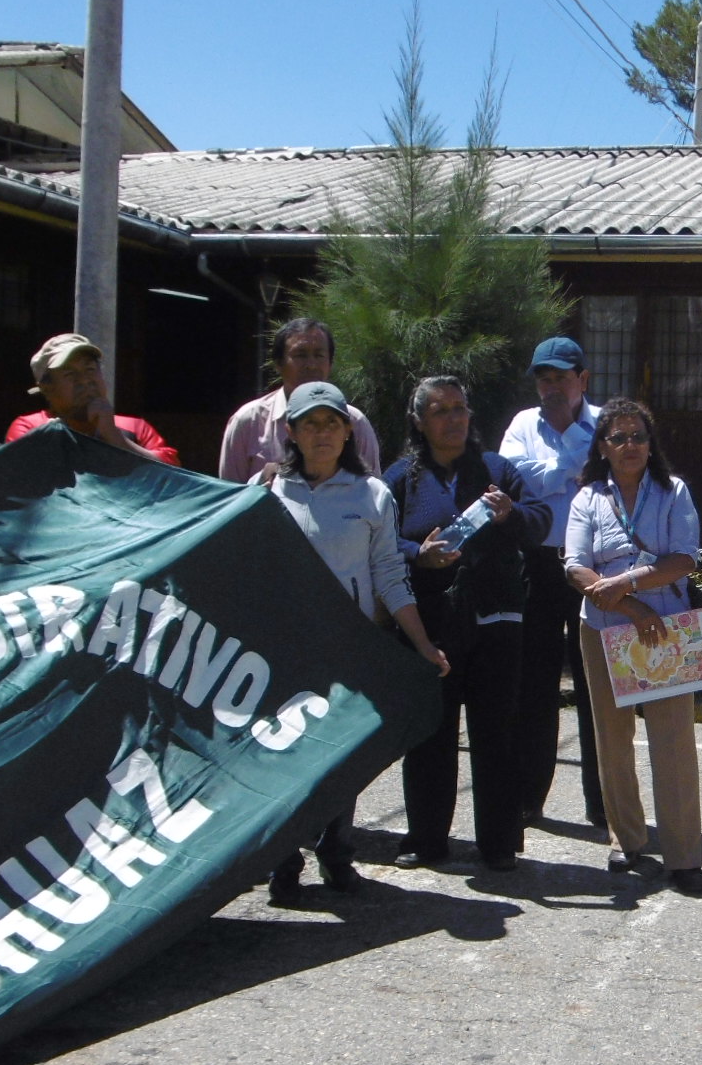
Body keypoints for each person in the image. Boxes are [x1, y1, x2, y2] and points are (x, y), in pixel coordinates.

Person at [259, 381, 448, 903]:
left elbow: (389, 574)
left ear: (348, 431)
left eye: (331, 423)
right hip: (286, 650)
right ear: (292, 432)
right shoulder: (269, 490)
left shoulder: (371, 495)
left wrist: (422, 643)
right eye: (310, 424)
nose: (321, 433)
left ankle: (337, 854)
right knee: (286, 757)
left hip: (351, 647)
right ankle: (283, 862)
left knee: (342, 757)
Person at [385, 375, 550, 872]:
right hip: (430, 625)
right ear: (419, 421)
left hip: (496, 620)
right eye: (440, 411)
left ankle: (498, 843)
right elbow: (380, 541)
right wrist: (418, 553)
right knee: (430, 734)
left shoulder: (497, 470)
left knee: (496, 733)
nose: (453, 419)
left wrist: (510, 514)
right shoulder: (401, 478)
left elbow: (541, 521)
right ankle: (426, 839)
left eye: (459, 408)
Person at [564, 398, 702, 896]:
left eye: (639, 437)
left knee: (674, 743)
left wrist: (626, 584)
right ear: (602, 447)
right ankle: (626, 840)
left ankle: (685, 856)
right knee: (612, 739)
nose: (630, 445)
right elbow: (575, 566)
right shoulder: (588, 498)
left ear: (651, 445)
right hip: (604, 627)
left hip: (665, 629)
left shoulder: (673, 492)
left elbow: (684, 559)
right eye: (619, 437)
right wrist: (631, 607)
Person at [499, 335, 606, 833]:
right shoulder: (523, 425)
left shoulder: (606, 424)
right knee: (534, 685)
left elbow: (604, 478)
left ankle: (603, 802)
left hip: (593, 567)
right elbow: (516, 483)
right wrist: (571, 466)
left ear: (582, 379)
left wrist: (553, 472)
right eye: (544, 379)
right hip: (537, 565)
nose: (552, 388)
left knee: (596, 686)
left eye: (561, 378)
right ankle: (527, 796)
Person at [217, 317, 382, 483]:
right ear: (278, 364)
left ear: (330, 363)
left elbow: (372, 489)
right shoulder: (248, 421)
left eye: (319, 355)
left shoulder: (354, 422)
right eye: (300, 355)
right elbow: (230, 493)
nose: (311, 365)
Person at [7, 333, 180, 465]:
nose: (84, 380)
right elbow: (22, 478)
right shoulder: (30, 427)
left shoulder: (134, 428)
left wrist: (114, 437)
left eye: (90, 369)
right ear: (47, 388)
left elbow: (176, 477)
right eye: (70, 374)